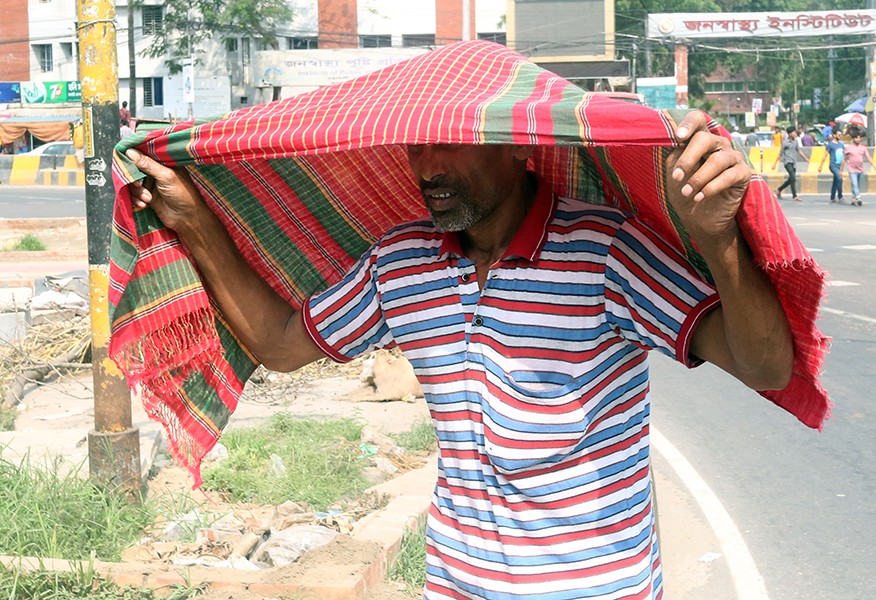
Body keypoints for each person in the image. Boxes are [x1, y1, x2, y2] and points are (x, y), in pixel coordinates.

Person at [127, 110, 793, 599]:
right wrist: (194, 221)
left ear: (518, 145)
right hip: (457, 584)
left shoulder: (606, 252)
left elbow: (767, 366)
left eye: (449, 143)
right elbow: (280, 345)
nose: (426, 167)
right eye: (417, 145)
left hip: (598, 587)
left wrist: (718, 241)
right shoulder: (401, 263)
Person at [771, 125, 810, 201]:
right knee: (793, 177)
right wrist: (775, 164)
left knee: (791, 179)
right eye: (794, 132)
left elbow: (799, 150)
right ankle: (794, 196)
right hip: (787, 162)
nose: (795, 133)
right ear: (789, 134)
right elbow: (780, 153)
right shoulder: (785, 142)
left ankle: (778, 190)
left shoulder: (795, 141)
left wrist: (806, 158)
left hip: (793, 162)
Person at [840, 131, 876, 206]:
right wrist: (841, 170)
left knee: (857, 185)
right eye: (856, 138)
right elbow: (844, 160)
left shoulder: (863, 148)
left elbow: (868, 156)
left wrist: (873, 164)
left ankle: (853, 198)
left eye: (859, 138)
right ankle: (858, 197)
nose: (858, 139)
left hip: (860, 169)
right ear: (853, 139)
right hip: (851, 169)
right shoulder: (848, 148)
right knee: (854, 183)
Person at [818, 129, 845, 203]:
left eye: (841, 135)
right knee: (840, 179)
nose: (840, 136)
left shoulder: (841, 145)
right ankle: (840, 196)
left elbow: (844, 157)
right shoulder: (830, 145)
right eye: (839, 135)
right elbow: (825, 156)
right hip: (833, 165)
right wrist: (820, 166)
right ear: (834, 135)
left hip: (839, 166)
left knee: (836, 181)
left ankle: (832, 197)